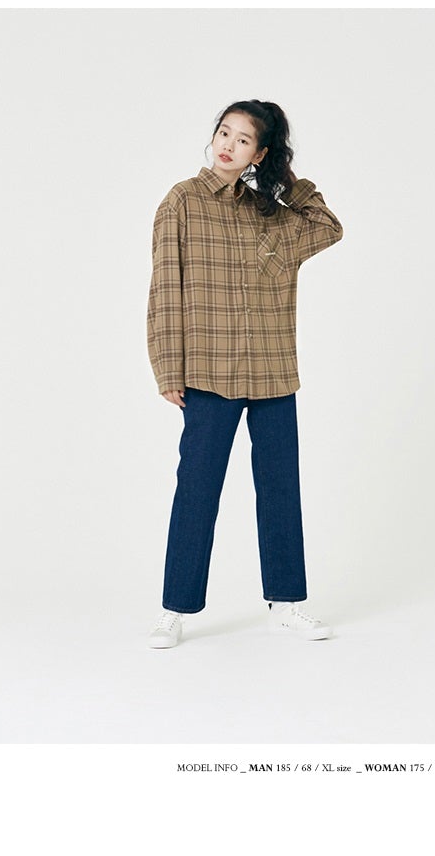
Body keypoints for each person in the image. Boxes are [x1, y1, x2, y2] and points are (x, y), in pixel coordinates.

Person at [147, 99, 342, 646]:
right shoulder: (181, 202)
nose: (228, 145)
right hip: (208, 372)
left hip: (272, 371)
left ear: (259, 153)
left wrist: (284, 178)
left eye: (243, 139)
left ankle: (287, 602)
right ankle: (174, 609)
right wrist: (167, 367)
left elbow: (329, 227)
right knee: (197, 490)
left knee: (280, 488)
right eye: (223, 132)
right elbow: (165, 288)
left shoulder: (271, 213)